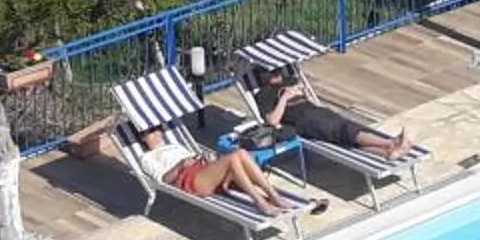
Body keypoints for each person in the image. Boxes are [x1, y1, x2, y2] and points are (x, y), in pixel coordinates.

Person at [247, 62, 423, 160]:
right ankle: (391, 143)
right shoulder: (265, 94)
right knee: (344, 130)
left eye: (278, 70)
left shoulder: (289, 80)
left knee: (348, 132)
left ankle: (389, 152)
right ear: (264, 77)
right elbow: (272, 121)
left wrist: (303, 93)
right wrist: (284, 98)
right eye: (273, 72)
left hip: (317, 112)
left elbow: (307, 98)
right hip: (305, 122)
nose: (278, 73)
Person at [133, 123, 309, 217]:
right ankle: (261, 203)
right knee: (234, 156)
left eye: (158, 129)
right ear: (143, 138)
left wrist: (207, 159)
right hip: (191, 180)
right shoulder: (147, 158)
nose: (157, 133)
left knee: (240, 153)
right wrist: (181, 165)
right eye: (151, 132)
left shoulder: (174, 145)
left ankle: (273, 196)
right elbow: (163, 179)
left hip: (203, 170)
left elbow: (195, 159)